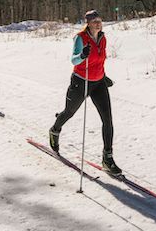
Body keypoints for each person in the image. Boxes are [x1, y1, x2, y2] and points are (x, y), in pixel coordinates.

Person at [48, 9, 121, 177]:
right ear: (87, 23)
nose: (98, 23)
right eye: (94, 21)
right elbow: (74, 59)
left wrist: (104, 76)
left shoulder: (103, 39)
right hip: (81, 81)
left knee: (107, 120)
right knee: (69, 112)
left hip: (98, 83)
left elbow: (100, 60)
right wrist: (82, 54)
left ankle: (107, 158)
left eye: (99, 20)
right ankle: (55, 129)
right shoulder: (80, 38)